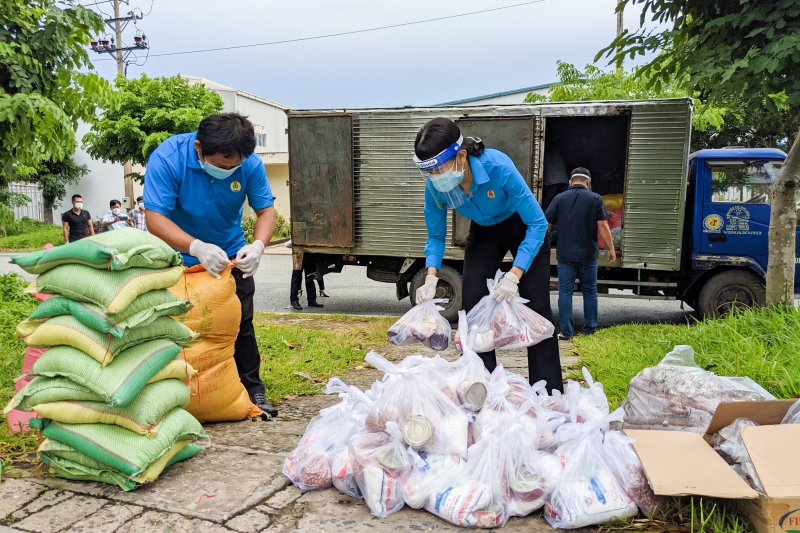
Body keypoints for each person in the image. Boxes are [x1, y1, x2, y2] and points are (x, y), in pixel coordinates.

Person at [143, 112, 279, 419]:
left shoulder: (250, 164)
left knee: (239, 322)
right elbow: (155, 218)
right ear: (199, 148)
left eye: (234, 167)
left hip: (229, 256)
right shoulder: (168, 158)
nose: (229, 171)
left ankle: (252, 389)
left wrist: (257, 246)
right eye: (221, 165)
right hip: (175, 258)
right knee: (172, 328)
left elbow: (266, 212)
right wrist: (195, 246)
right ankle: (169, 395)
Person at [413, 117, 562, 394]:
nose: (436, 177)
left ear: (461, 156)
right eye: (429, 172)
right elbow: (435, 236)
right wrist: (431, 276)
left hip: (523, 227)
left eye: (439, 168)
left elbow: (538, 224)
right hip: (483, 233)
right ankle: (479, 388)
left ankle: (549, 393)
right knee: (471, 309)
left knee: (537, 309)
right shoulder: (435, 188)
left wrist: (514, 276)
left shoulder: (498, 168)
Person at [544, 167, 616, 340]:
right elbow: (603, 226)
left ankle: (566, 332)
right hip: (588, 255)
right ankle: (590, 330)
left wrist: (543, 244)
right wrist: (611, 248)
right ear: (588, 182)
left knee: (565, 292)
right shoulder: (595, 199)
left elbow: (547, 223)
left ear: (570, 182)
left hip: (565, 254)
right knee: (590, 291)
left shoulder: (559, 198)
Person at [286, 240, 328, 310]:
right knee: (297, 276)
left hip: (309, 251)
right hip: (300, 250)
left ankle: (311, 300)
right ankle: (294, 300)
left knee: (309, 276)